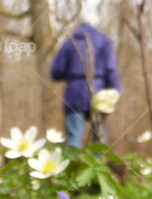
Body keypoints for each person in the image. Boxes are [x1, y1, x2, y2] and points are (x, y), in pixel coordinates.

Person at [50, 15, 121, 148]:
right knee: (99, 137)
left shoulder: (69, 42)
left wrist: (72, 73)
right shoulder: (104, 41)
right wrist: (115, 92)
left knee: (74, 136)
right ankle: (97, 165)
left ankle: (73, 167)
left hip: (74, 92)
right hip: (99, 91)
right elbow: (111, 69)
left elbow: (56, 71)